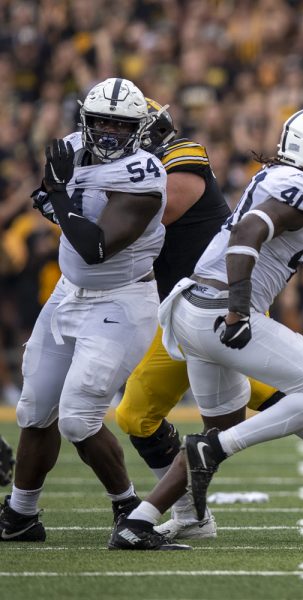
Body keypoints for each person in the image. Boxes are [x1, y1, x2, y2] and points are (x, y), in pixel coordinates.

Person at [109, 107, 303, 550]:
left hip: (192, 310)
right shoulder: (301, 188)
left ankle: (140, 521)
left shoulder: (280, 180)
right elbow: (247, 233)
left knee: (221, 425)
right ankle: (219, 452)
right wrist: (237, 311)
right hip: (220, 310)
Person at [0, 78, 166, 543]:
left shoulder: (145, 173)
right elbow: (61, 204)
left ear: (139, 128)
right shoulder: (72, 147)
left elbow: (95, 247)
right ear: (85, 121)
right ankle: (20, 515)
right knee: (34, 410)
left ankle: (130, 510)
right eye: (102, 121)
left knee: (77, 418)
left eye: (121, 123)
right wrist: (55, 200)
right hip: (69, 293)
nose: (109, 131)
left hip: (122, 299)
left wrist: (55, 198)